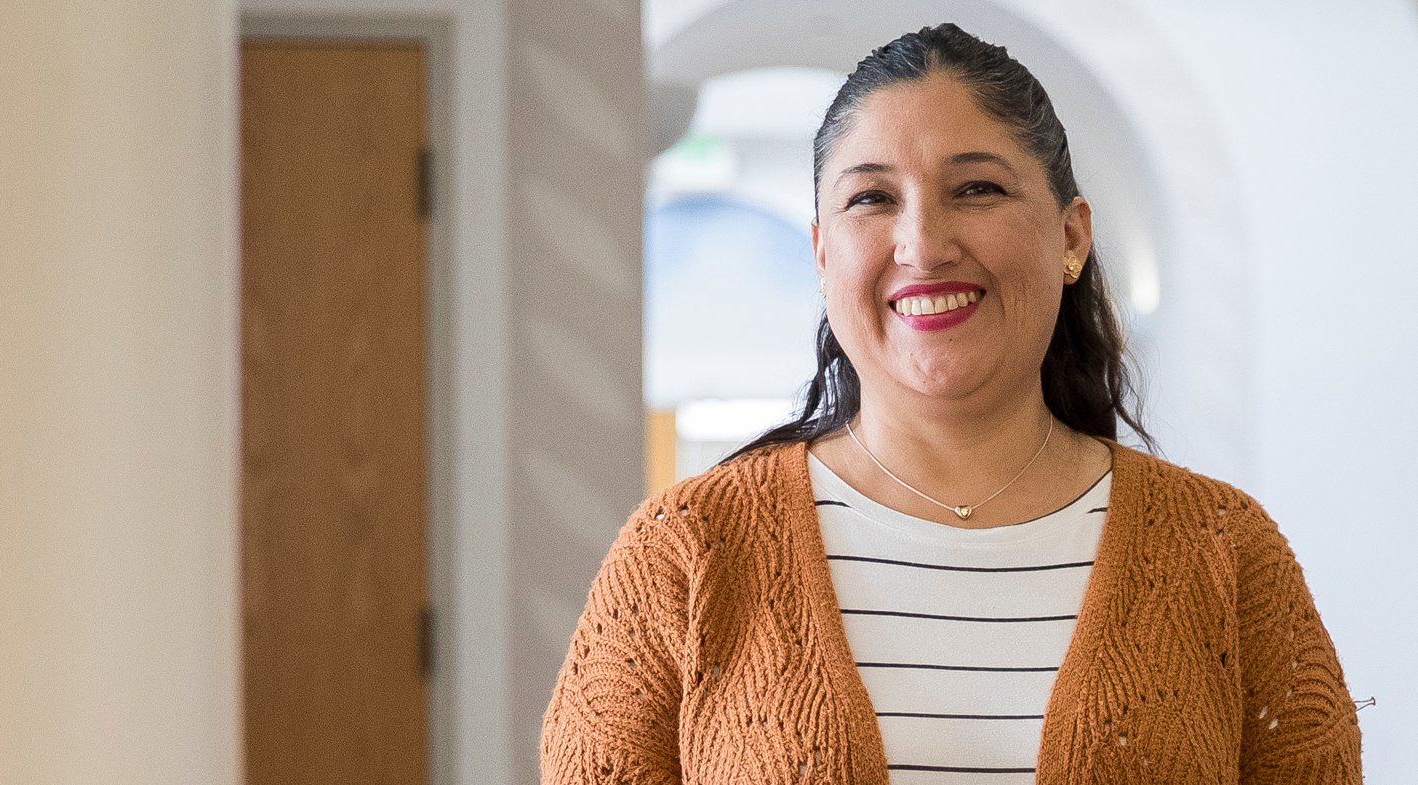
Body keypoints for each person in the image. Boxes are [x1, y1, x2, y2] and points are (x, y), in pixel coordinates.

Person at [541, 23, 1361, 784]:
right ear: (824, 253)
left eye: (976, 188)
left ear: (1072, 237)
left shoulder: (1226, 555)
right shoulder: (684, 555)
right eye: (872, 198)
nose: (924, 245)